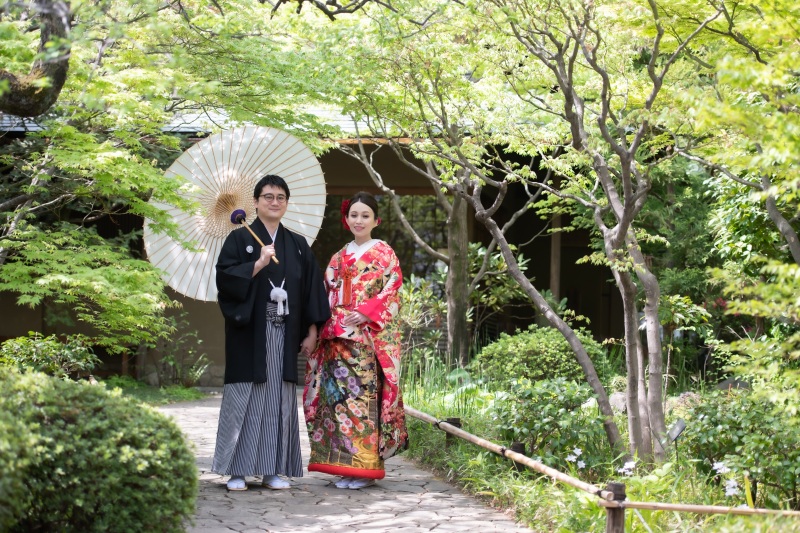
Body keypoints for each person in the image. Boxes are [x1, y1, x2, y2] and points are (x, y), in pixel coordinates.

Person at [212, 174, 331, 491]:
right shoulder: (239, 240)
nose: (274, 201)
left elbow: (310, 291)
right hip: (250, 331)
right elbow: (225, 281)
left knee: (278, 401)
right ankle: (236, 471)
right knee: (245, 397)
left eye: (280, 197)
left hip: (285, 331)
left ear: (286, 203)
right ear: (255, 202)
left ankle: (272, 470)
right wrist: (257, 263)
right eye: (268, 196)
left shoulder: (297, 245)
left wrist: (310, 330)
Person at [303, 191, 408, 490]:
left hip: (366, 339)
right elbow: (327, 294)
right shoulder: (338, 256)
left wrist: (365, 313)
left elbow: (393, 288)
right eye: (354, 215)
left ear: (376, 220)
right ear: (346, 219)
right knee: (337, 403)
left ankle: (365, 466)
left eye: (365, 216)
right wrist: (325, 325)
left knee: (361, 403)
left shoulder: (384, 252)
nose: (359, 220)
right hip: (338, 339)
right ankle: (344, 465)